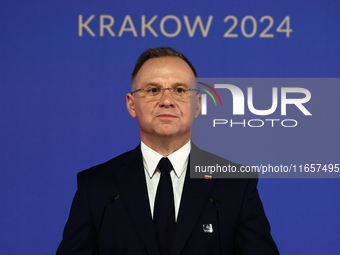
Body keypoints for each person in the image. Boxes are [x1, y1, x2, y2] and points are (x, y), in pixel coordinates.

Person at [56, 47, 279, 255]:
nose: (166, 101)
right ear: (132, 104)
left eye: (180, 90)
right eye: (153, 90)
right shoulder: (95, 186)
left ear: (197, 105)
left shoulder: (235, 183)